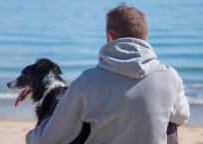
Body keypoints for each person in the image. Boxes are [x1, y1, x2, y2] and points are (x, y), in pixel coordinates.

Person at [25, 5, 190, 144]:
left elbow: (49, 138)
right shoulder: (170, 77)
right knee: (170, 124)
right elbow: (182, 117)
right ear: (145, 38)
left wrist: (31, 135)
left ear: (109, 38)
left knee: (74, 123)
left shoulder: (87, 82)